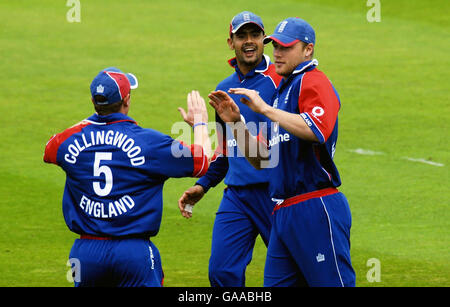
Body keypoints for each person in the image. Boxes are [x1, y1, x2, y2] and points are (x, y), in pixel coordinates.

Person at [208, 17, 356, 287]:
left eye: (286, 47)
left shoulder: (313, 81)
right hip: (283, 209)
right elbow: (263, 161)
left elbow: (316, 129)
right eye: (275, 46)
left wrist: (264, 109)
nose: (277, 53)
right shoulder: (282, 91)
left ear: (308, 50)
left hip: (315, 204)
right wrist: (236, 124)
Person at [43, 67, 211, 287]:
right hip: (133, 254)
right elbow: (202, 161)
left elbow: (49, 150)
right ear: (127, 100)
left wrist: (93, 120)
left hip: (85, 254)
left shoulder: (70, 141)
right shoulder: (148, 142)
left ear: (93, 102)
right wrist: (199, 123)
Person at [177, 11, 282, 287]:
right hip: (237, 196)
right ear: (230, 42)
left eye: (255, 35)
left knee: (291, 272)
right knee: (221, 272)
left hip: (276, 194)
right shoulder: (224, 89)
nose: (249, 42)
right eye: (242, 36)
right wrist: (204, 185)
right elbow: (227, 148)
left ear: (264, 40)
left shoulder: (280, 81)